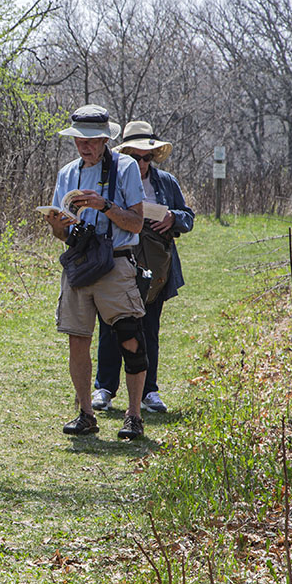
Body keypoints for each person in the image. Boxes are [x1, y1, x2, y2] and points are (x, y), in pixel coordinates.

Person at [43, 105, 148, 441]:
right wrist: (58, 227)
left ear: (105, 139)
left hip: (116, 261)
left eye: (91, 140)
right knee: (78, 338)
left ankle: (133, 415)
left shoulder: (126, 167)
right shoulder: (66, 173)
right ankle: (85, 414)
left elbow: (136, 223)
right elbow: (60, 234)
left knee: (129, 337)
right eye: (79, 140)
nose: (84, 147)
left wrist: (103, 205)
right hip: (79, 262)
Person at [92, 120, 194, 414]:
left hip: (157, 269)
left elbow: (188, 216)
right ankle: (105, 388)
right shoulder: (110, 178)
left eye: (146, 157)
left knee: (149, 327)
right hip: (118, 262)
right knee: (111, 326)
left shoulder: (166, 182)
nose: (141, 162)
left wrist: (173, 218)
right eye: (135, 156)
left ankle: (149, 392)